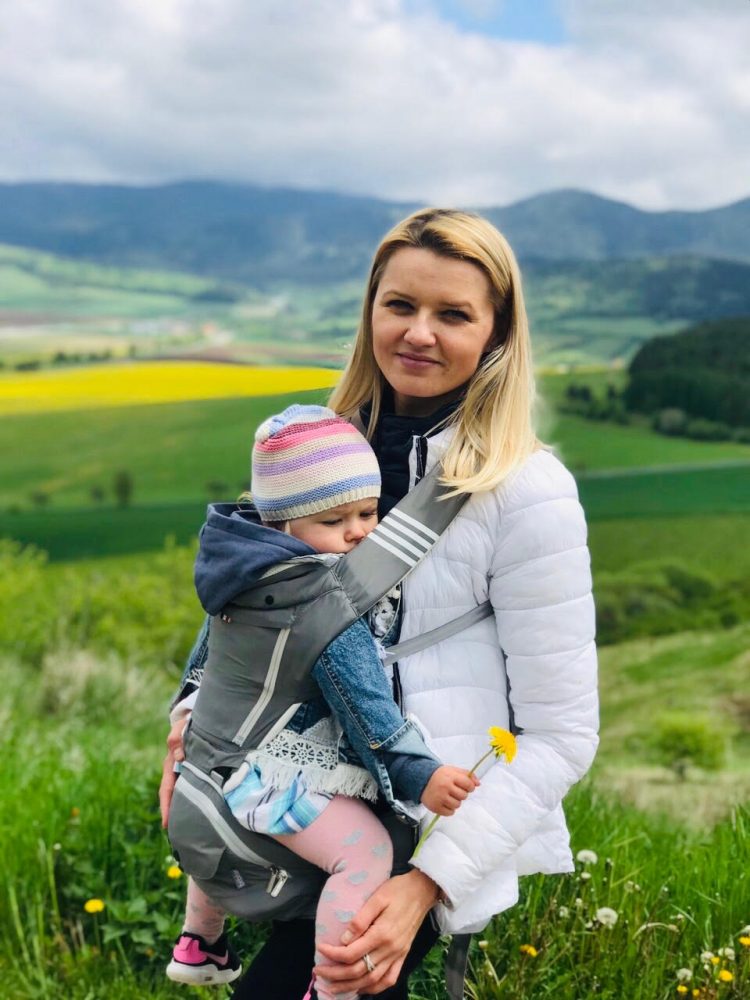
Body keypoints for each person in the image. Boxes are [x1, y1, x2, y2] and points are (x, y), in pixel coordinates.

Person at [159, 207, 599, 1000]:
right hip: (295, 787)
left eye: (453, 314)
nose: (419, 332)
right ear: (370, 311)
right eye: (400, 305)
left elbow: (562, 734)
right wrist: (189, 729)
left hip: (421, 823)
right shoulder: (322, 447)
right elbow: (255, 600)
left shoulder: (528, 492)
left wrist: (427, 883)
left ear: (498, 334)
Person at [166, 404, 479, 999]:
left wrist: (183, 713)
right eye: (336, 520)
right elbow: (368, 712)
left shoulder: (236, 572)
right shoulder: (323, 602)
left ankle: (199, 941)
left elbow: (206, 659)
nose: (360, 532)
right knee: (366, 851)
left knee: (211, 819)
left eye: (368, 512)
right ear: (281, 525)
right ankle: (332, 982)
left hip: (210, 763)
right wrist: (421, 773)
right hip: (270, 776)